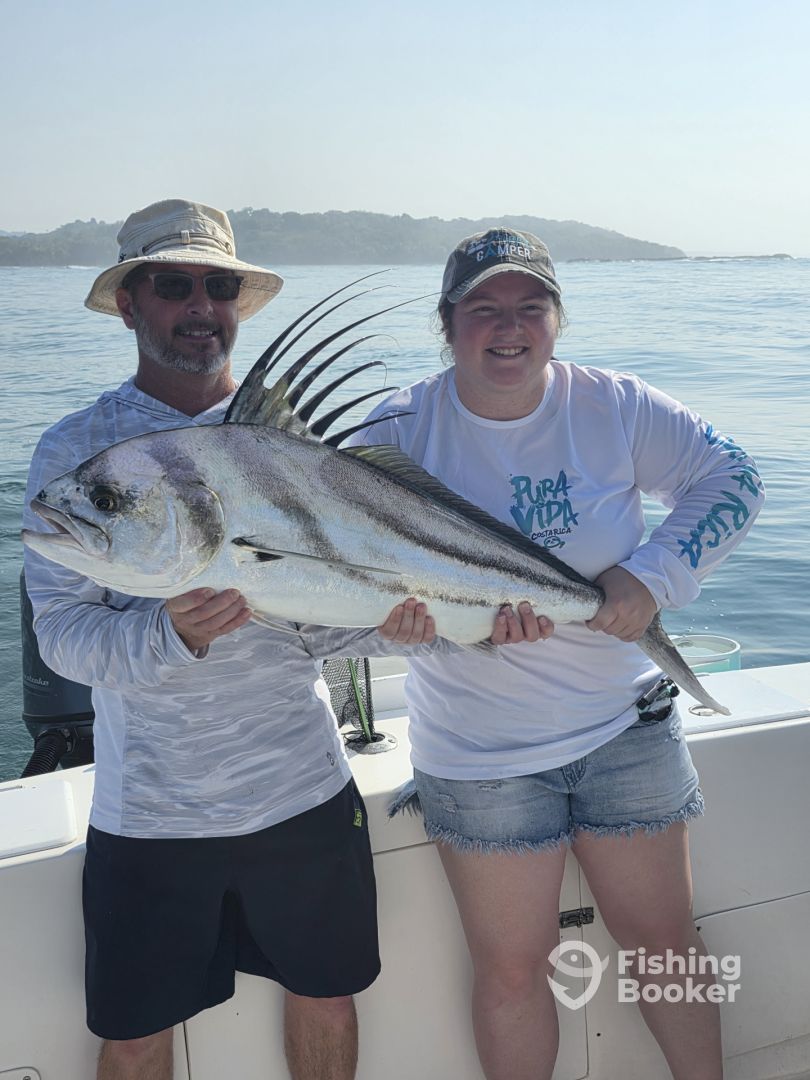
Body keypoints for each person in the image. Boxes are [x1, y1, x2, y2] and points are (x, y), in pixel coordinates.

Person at [22, 202, 548, 1080]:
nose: (201, 305)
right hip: (150, 812)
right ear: (129, 304)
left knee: (326, 998)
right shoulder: (77, 453)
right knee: (136, 1034)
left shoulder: (291, 442)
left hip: (302, 794)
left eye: (219, 287)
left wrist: (428, 632)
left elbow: (329, 615)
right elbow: (64, 638)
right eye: (173, 284)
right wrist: (168, 633)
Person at [353, 227, 765, 1080]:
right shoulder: (396, 430)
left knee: (665, 944)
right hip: (480, 755)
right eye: (483, 309)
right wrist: (398, 623)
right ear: (446, 323)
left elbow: (734, 476)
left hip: (624, 730)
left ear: (558, 319)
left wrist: (651, 576)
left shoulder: (614, 405)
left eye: (531, 306)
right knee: (510, 971)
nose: (510, 327)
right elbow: (354, 577)